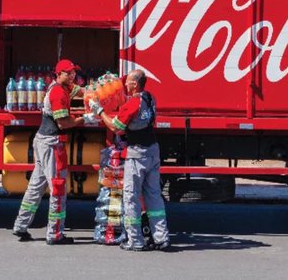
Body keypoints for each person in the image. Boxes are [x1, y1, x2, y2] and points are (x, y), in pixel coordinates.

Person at [12, 59, 92, 245]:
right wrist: (85, 118)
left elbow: (81, 91)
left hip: (42, 142)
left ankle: (20, 225)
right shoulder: (58, 93)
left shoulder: (63, 88)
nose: (73, 75)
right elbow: (64, 124)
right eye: (69, 73)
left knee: (36, 186)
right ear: (59, 74)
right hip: (51, 143)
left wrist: (94, 93)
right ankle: (55, 234)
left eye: (74, 72)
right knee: (57, 187)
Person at [91, 69, 171, 252]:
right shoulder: (150, 98)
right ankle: (161, 237)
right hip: (153, 150)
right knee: (153, 196)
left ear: (135, 84)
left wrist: (99, 111)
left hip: (137, 154)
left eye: (127, 82)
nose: (124, 84)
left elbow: (115, 127)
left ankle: (135, 240)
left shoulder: (132, 103)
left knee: (131, 196)